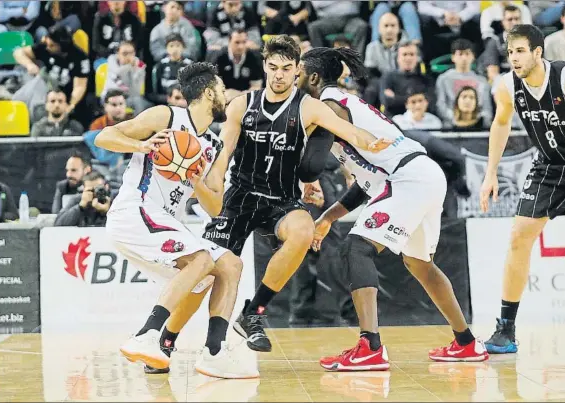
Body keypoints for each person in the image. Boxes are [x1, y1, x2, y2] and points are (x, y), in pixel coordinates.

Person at [144, 35, 389, 369]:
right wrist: (207, 185)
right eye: (273, 67)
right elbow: (225, 152)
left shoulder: (307, 106)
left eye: (287, 69)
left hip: (282, 198)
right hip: (240, 197)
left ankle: (254, 312)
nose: (279, 75)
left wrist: (373, 143)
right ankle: (166, 341)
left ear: (296, 70)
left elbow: (347, 130)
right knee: (208, 276)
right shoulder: (242, 105)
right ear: (264, 66)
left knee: (303, 231)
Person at [296, 47, 489, 370]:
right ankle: (467, 342)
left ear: (313, 77)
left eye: (298, 71)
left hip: (407, 178)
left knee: (356, 248)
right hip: (419, 174)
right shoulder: (344, 105)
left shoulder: (328, 107)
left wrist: (303, 175)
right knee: (420, 264)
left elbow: (311, 164)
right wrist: (329, 217)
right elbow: (367, 183)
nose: (293, 77)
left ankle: (370, 345)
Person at [95, 62, 256, 379]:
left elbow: (215, 207)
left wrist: (197, 183)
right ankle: (146, 334)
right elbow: (104, 136)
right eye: (222, 89)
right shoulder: (165, 117)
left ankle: (212, 353)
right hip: (134, 209)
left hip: (164, 219)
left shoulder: (214, 145)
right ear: (209, 92)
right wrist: (140, 145)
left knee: (228, 266)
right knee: (198, 261)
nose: (225, 95)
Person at [479, 24, 565, 354]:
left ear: (538, 52)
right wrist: (490, 173)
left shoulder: (561, 78)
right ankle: (505, 329)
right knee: (519, 236)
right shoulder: (506, 86)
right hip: (549, 166)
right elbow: (501, 124)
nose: (513, 58)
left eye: (520, 51)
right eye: (510, 51)